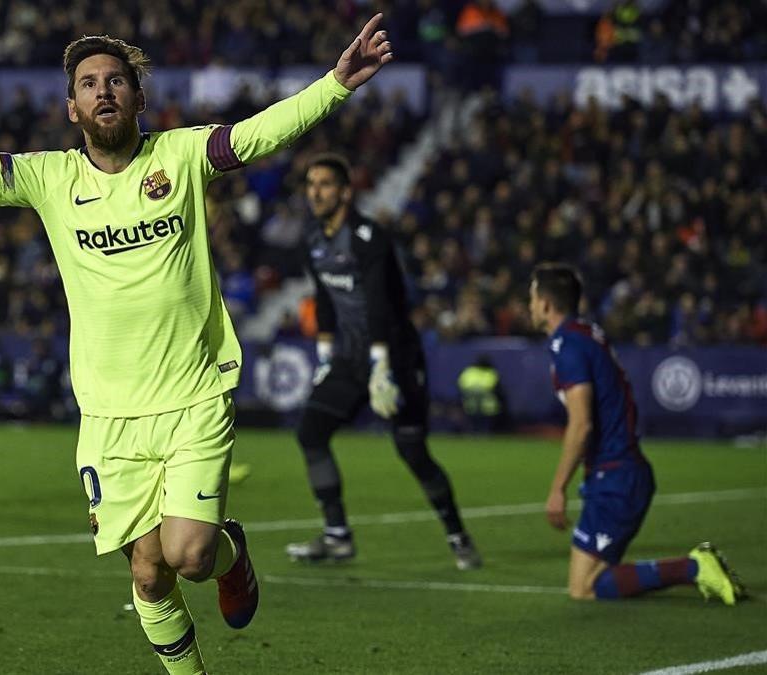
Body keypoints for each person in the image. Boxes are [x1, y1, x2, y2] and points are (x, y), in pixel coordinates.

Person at [0, 15, 394, 673]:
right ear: (71, 106)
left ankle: (229, 555)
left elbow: (261, 132)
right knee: (148, 573)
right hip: (108, 416)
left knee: (190, 554)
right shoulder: (49, 177)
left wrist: (337, 83)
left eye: (116, 81)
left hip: (192, 396)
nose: (103, 91)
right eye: (88, 83)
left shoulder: (182, 155)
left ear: (139, 97)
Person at [285, 154, 482, 570]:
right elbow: (323, 297)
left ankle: (458, 536)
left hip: (394, 356)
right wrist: (324, 355)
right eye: (310, 184)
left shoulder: (368, 236)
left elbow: (381, 303)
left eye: (324, 184)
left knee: (412, 450)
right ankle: (337, 536)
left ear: (345, 192)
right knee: (311, 433)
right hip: (349, 357)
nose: (314, 192)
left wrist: (381, 364)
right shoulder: (312, 237)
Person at [528, 262, 745, 603]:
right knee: (587, 582)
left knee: (583, 587)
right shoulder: (584, 334)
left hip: (616, 476)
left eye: (531, 298)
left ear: (544, 304)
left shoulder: (568, 346)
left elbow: (581, 423)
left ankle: (693, 567)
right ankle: (692, 567)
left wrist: (558, 488)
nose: (529, 306)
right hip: (616, 471)